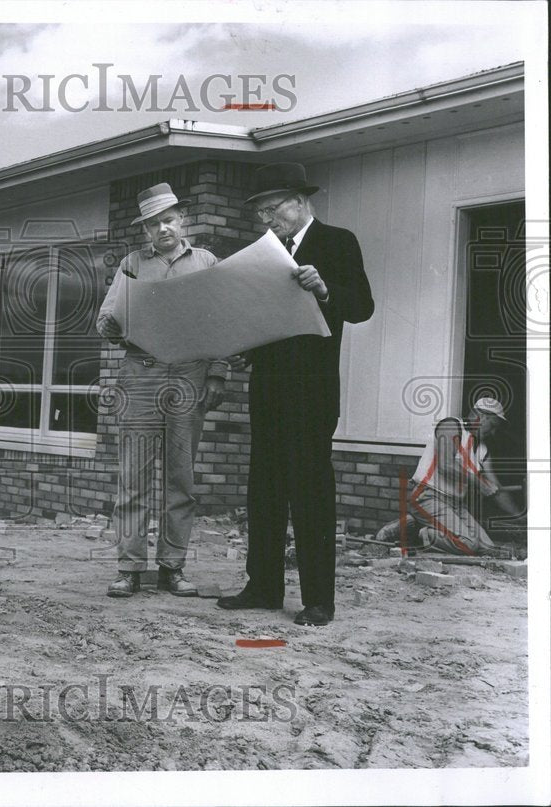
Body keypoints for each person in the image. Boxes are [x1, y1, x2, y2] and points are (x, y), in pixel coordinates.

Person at [217, 162, 374, 626]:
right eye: (261, 212)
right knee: (263, 488)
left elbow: (362, 306)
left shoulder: (337, 241)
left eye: (274, 208)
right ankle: (263, 587)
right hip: (267, 386)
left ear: (300, 202)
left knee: (309, 490)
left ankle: (318, 599)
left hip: (312, 389)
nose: (268, 219)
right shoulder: (262, 254)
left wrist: (325, 289)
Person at [97, 183, 228, 598]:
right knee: (133, 477)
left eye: (168, 219)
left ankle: (173, 566)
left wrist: (217, 374)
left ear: (181, 219)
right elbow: (105, 320)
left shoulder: (206, 262)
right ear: (145, 230)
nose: (163, 228)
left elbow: (224, 322)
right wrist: (116, 322)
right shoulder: (132, 264)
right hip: (142, 373)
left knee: (180, 477)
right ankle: (129, 568)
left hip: (189, 374)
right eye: (154, 223)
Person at [374, 397, 519, 555]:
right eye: (493, 426)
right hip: (427, 497)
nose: (494, 433)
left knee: (488, 548)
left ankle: (422, 526)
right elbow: (446, 465)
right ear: (482, 417)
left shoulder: (483, 451)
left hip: (456, 505)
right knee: (468, 544)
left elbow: (495, 489)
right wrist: (480, 483)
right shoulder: (451, 426)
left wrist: (519, 516)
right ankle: (417, 533)